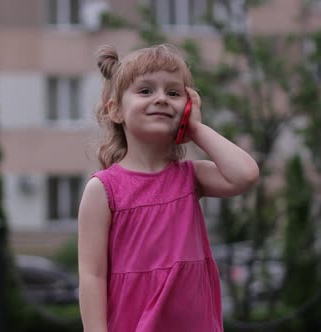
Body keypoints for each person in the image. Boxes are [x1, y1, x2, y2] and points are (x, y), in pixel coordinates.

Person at [77, 43, 259, 332]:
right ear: (115, 111)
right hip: (131, 321)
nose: (161, 98)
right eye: (146, 91)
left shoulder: (190, 177)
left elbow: (245, 174)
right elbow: (92, 274)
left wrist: (196, 129)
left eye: (173, 93)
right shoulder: (104, 189)